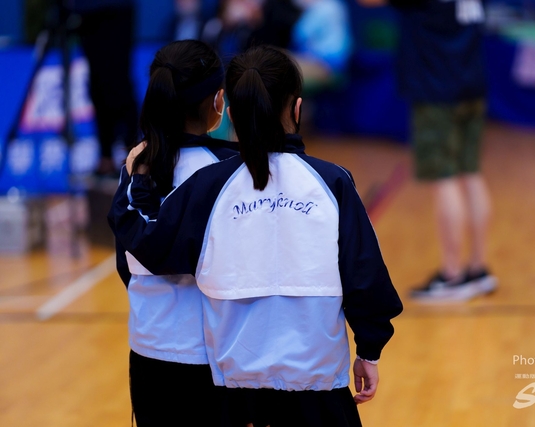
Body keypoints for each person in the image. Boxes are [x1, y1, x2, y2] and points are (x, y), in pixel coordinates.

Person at [109, 45, 403, 427]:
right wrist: (370, 348)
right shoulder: (330, 181)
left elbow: (149, 248)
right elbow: (364, 276)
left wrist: (137, 185)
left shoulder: (210, 184)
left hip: (227, 382)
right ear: (297, 110)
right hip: (314, 382)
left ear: (231, 111)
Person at [108, 39, 237, 426]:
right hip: (216, 354)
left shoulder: (136, 166)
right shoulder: (230, 170)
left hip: (149, 350)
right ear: (218, 102)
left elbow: (125, 263)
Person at [358, 0, 497, 302]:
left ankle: (452, 276)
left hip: (436, 91)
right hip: (472, 84)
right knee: (471, 173)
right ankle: (478, 268)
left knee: (444, 178)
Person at [67, 0, 139, 175]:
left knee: (118, 84)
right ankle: (105, 157)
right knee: (97, 86)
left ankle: (134, 157)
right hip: (87, 11)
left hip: (116, 11)